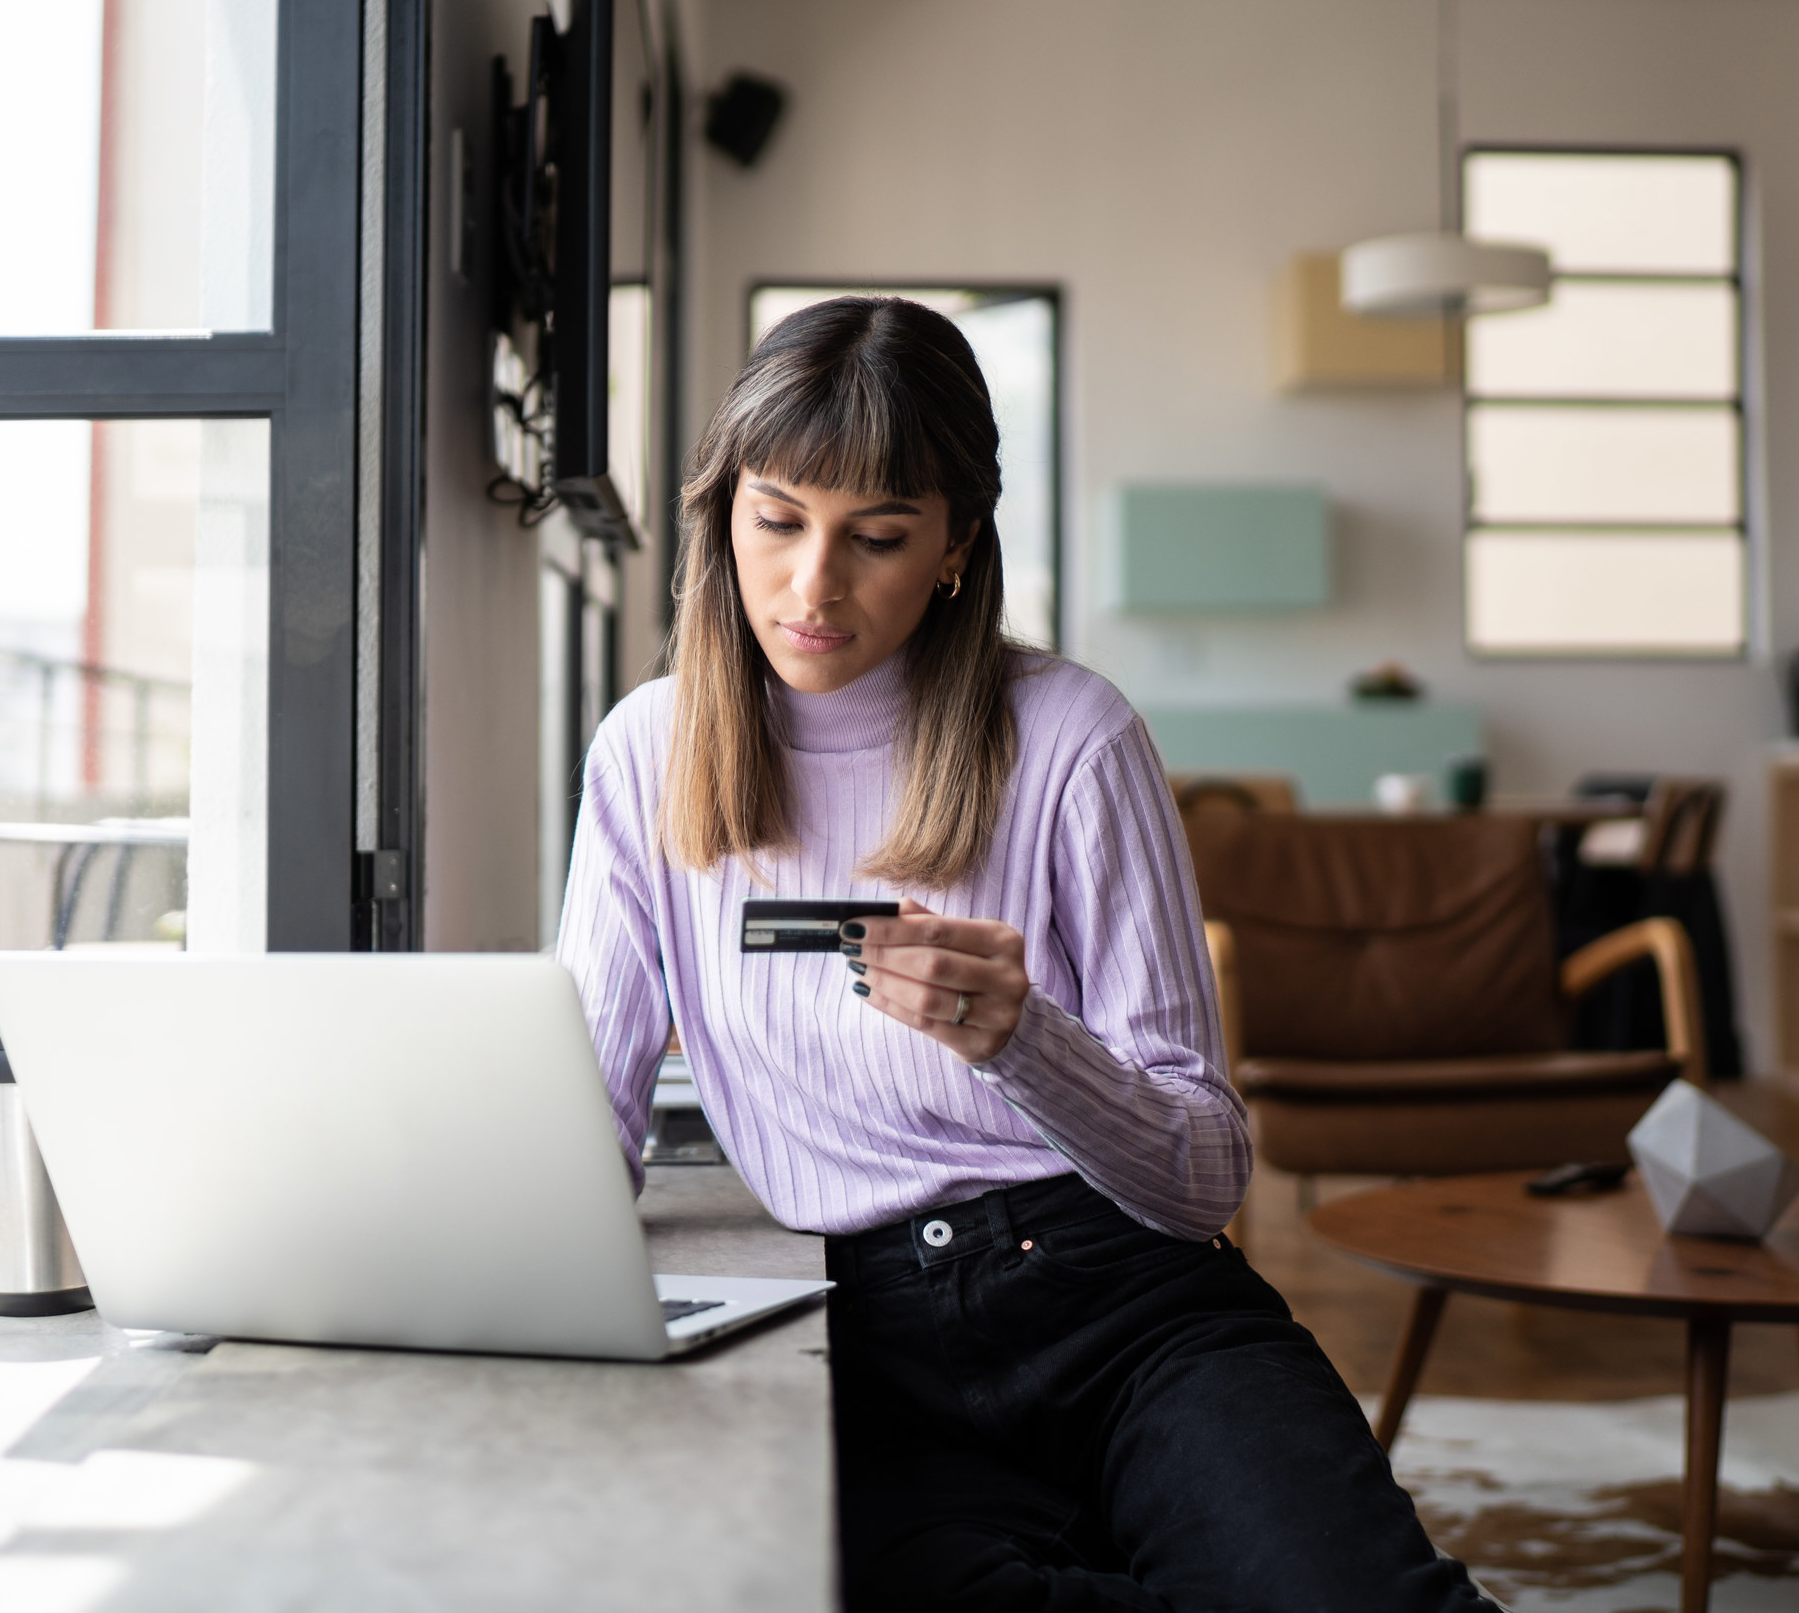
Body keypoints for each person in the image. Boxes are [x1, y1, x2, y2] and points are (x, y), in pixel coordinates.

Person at [556, 297, 1502, 1613]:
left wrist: (1024, 1042)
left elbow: (1204, 1172)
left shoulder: (1073, 736)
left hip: (1124, 1296)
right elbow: (579, 1126)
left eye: (877, 537)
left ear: (952, 545)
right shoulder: (648, 754)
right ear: (722, 512)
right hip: (864, 1338)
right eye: (777, 518)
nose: (813, 582)